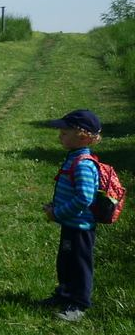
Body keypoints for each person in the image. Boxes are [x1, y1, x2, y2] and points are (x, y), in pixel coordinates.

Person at [41, 109, 103, 322]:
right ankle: (64, 294)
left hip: (80, 228)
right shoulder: (74, 158)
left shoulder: (83, 164)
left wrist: (57, 212)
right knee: (65, 262)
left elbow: (84, 198)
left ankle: (78, 304)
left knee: (79, 264)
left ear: (83, 137)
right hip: (71, 224)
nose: (60, 136)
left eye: (65, 132)